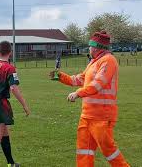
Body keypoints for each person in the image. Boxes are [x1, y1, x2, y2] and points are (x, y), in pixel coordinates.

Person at [49, 31, 130, 167]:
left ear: (97, 47)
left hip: (102, 116)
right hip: (87, 115)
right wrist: (60, 76)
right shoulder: (94, 62)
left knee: (109, 150)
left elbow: (97, 84)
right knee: (84, 151)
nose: (89, 49)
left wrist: (78, 93)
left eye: (90, 46)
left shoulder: (108, 61)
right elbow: (80, 79)